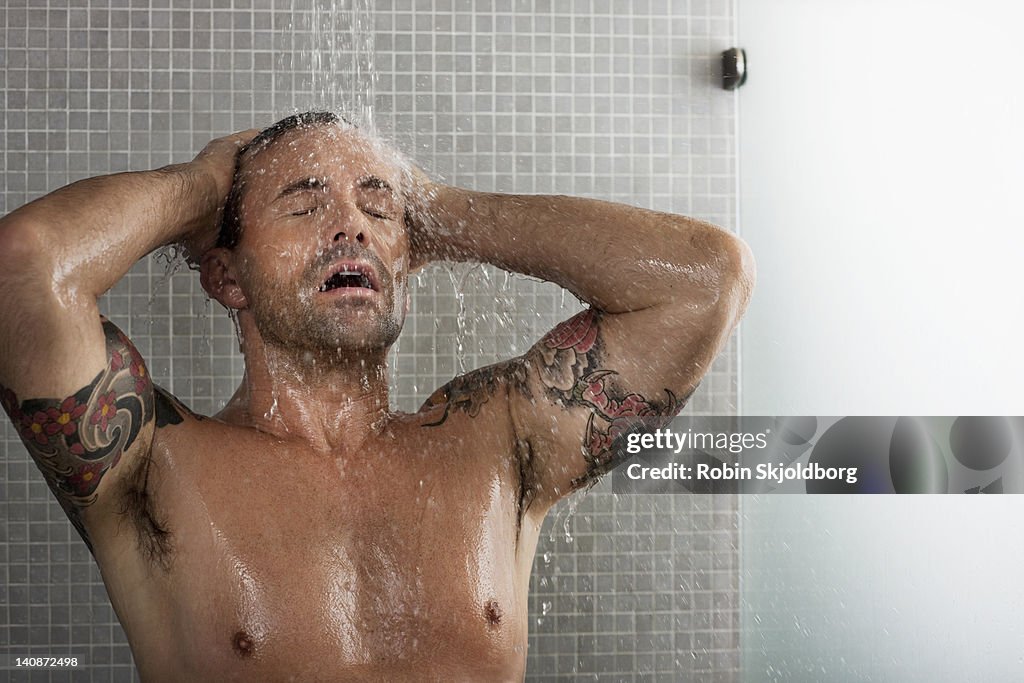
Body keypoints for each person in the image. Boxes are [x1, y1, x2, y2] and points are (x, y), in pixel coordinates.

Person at [0, 111, 754, 681]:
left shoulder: (496, 440)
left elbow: (706, 281)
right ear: (227, 275)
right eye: (304, 205)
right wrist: (203, 184)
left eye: (378, 208)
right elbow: (23, 268)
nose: (350, 228)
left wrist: (438, 209)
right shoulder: (151, 463)